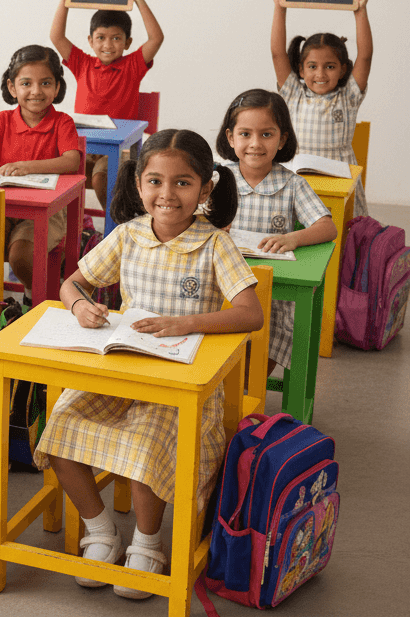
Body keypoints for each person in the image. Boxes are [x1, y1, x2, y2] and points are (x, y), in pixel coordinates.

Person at [41, 129, 262, 599]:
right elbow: (71, 284)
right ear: (138, 184)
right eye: (155, 181)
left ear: (205, 189)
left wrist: (185, 323)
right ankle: (101, 531)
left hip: (181, 388)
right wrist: (80, 307)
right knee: (60, 428)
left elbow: (250, 314)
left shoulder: (214, 243)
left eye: (183, 183)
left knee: (145, 447)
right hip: (120, 372)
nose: (167, 194)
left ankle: (147, 541)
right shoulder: (128, 234)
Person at [216, 89, 336, 376]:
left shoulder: (292, 185)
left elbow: (327, 226)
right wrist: (213, 226)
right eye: (245, 134)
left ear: (282, 139)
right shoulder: (217, 179)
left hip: (273, 297)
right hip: (221, 288)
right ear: (231, 137)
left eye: (266, 134)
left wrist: (292, 238)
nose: (255, 144)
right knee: (216, 357)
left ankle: (243, 395)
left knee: (253, 371)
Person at [0, 45, 82, 301]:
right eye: (26, 83)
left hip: (47, 213)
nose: (36, 91)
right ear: (12, 88)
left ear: (57, 87)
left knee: (20, 255)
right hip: (5, 208)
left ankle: (33, 299)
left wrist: (28, 167)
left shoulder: (62, 122)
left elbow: (72, 161)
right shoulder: (2, 120)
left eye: (45, 83)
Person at [50, 0, 164, 210]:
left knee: (101, 178)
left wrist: (140, 1)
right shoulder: (82, 63)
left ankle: (117, 222)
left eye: (116, 38)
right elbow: (56, 37)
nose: (108, 45)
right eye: (101, 38)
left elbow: (156, 38)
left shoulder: (133, 66)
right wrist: (64, 0)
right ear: (91, 41)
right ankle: (72, 223)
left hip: (119, 151)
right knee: (52, 167)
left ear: (127, 42)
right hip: (84, 145)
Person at [270, 0, 372, 216]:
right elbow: (277, 54)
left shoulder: (348, 96)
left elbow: (365, 56)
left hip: (339, 183)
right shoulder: (293, 93)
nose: (320, 74)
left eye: (330, 66)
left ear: (343, 69)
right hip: (299, 179)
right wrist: (279, 8)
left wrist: (360, 11)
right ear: (301, 69)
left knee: (343, 229)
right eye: (312, 66)